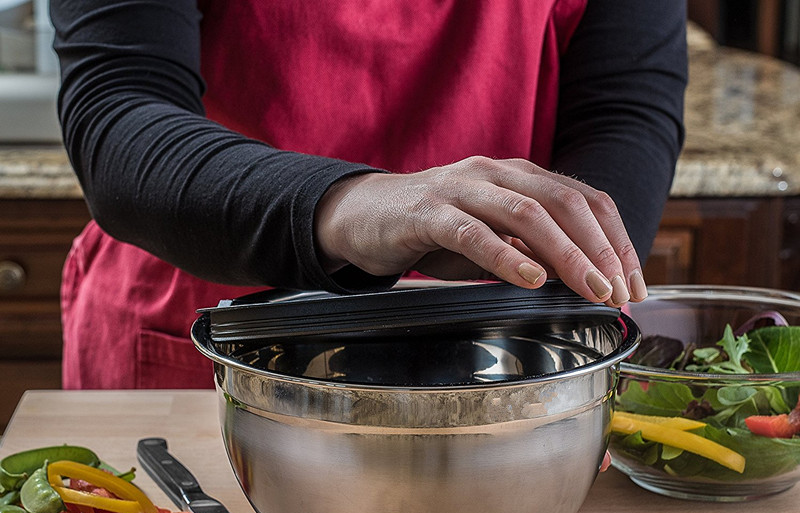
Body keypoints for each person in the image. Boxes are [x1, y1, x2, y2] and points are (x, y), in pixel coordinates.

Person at [49, 0, 687, 390]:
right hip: (206, 324)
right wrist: (353, 206)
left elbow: (624, 116)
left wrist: (563, 269)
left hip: (512, 350)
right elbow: (120, 110)